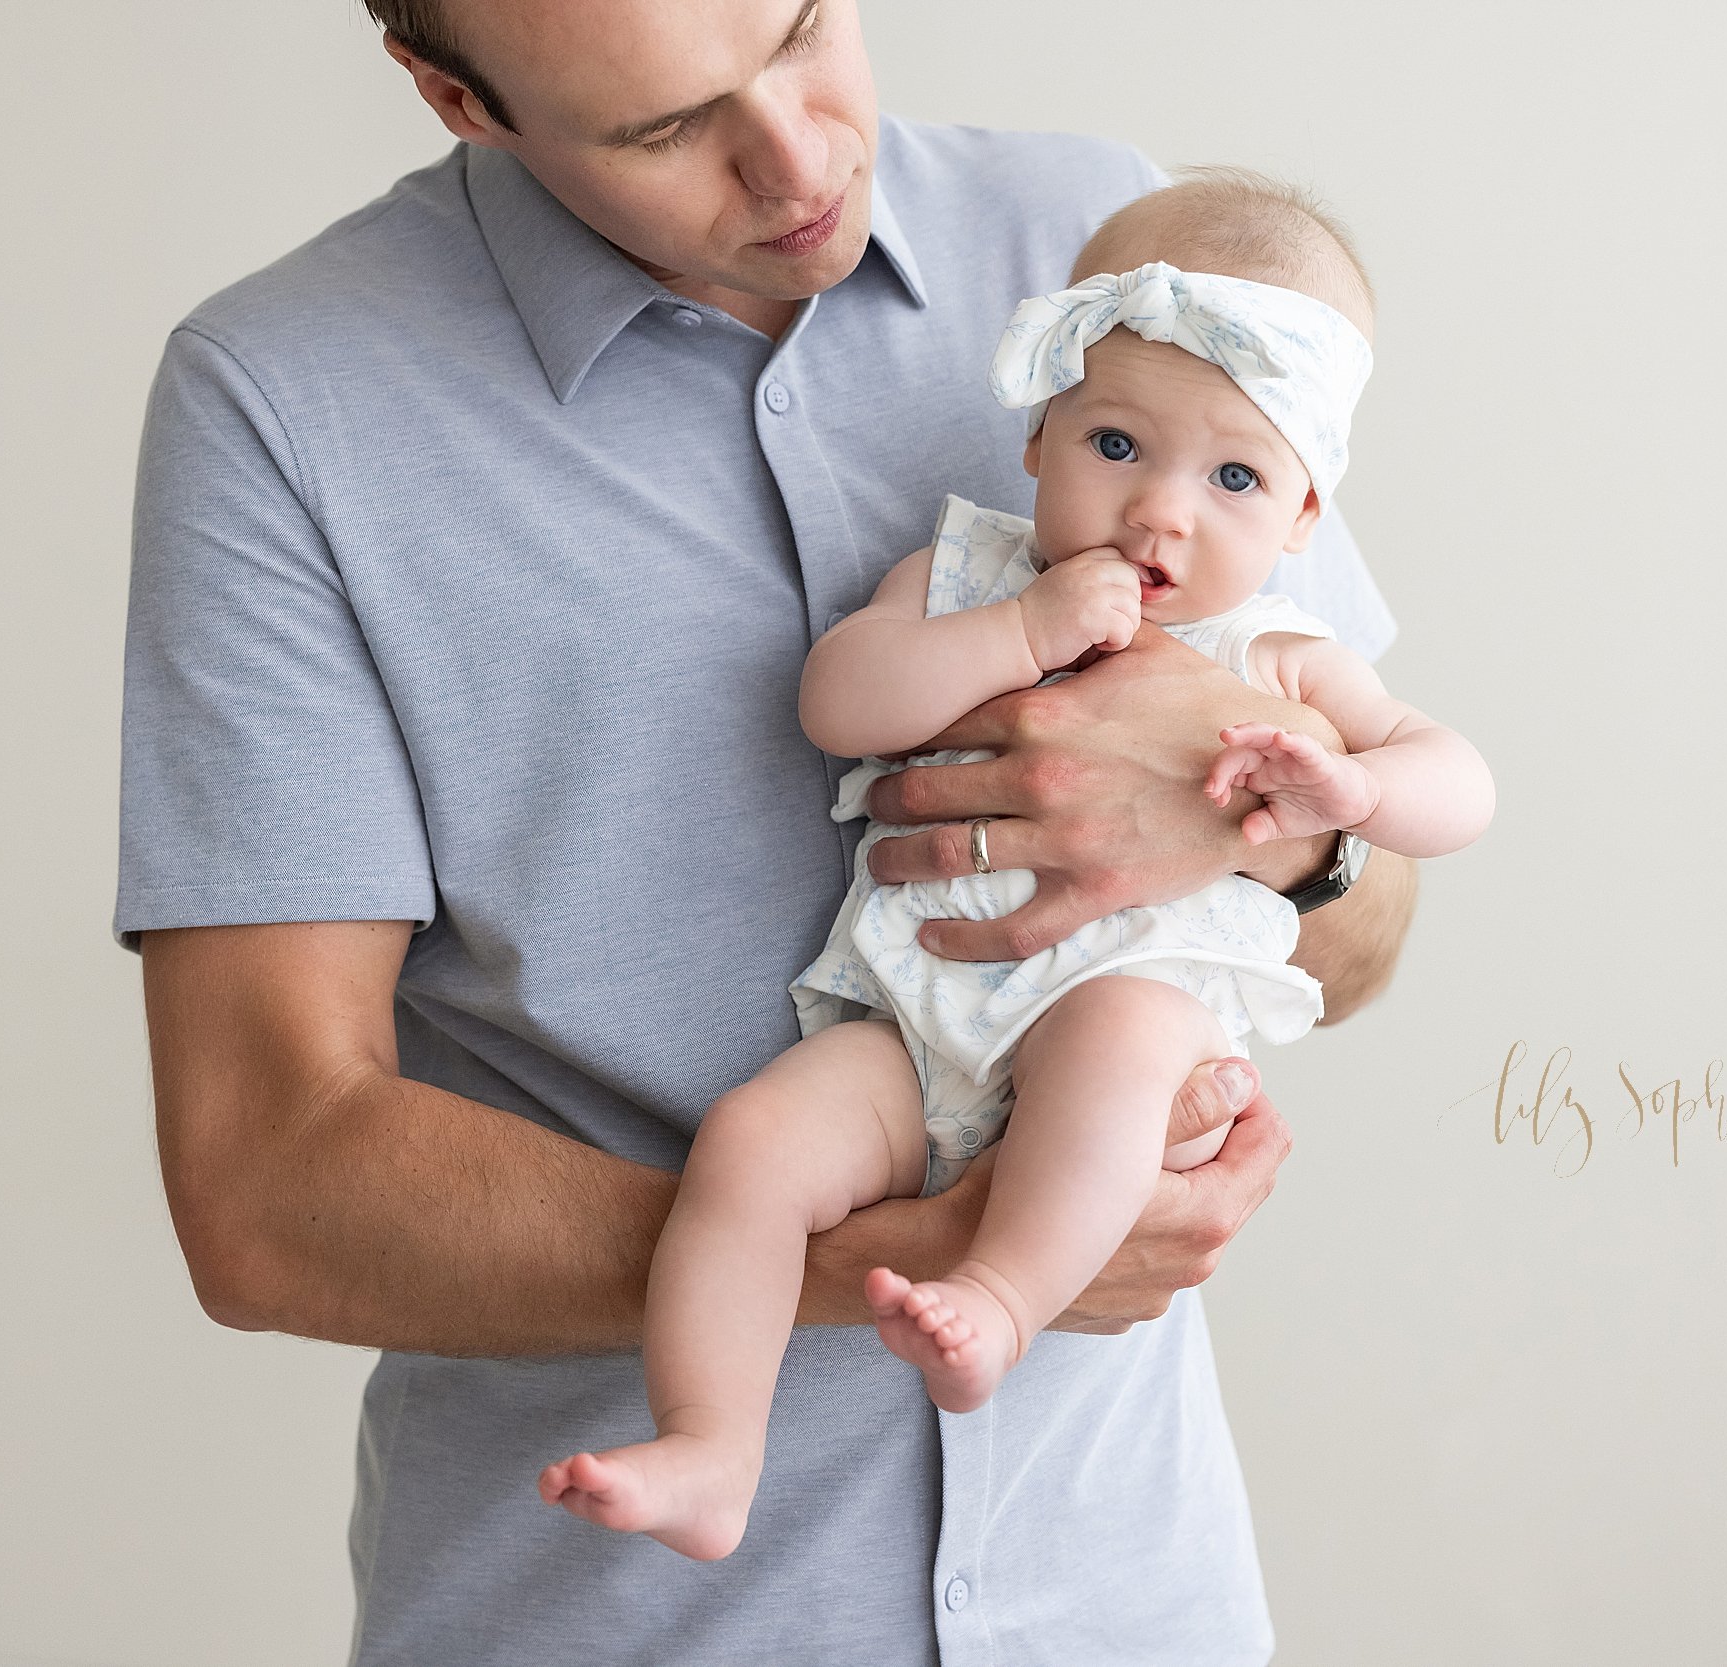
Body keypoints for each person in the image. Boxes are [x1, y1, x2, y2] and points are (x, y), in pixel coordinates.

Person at [120, 1, 1419, 1660]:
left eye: (805, 25)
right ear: (457, 94)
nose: (802, 160)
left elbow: (1370, 922)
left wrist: (1274, 839)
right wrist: (895, 1257)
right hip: (630, 1623)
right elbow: (265, 1190)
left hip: (1129, 1599)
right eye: (664, 127)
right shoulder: (285, 404)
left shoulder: (1121, 255)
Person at [537, 172, 1492, 1563]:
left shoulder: (1281, 653)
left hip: (1111, 1020)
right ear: (1040, 436)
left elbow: (1456, 779)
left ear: (1301, 519)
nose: (1160, 514)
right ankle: (710, 1445)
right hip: (912, 1022)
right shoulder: (971, 576)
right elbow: (840, 702)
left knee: (1117, 1047)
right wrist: (1022, 636)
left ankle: (997, 1294)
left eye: (1232, 477)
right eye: (1117, 441)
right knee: (749, 1147)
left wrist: (1351, 789)